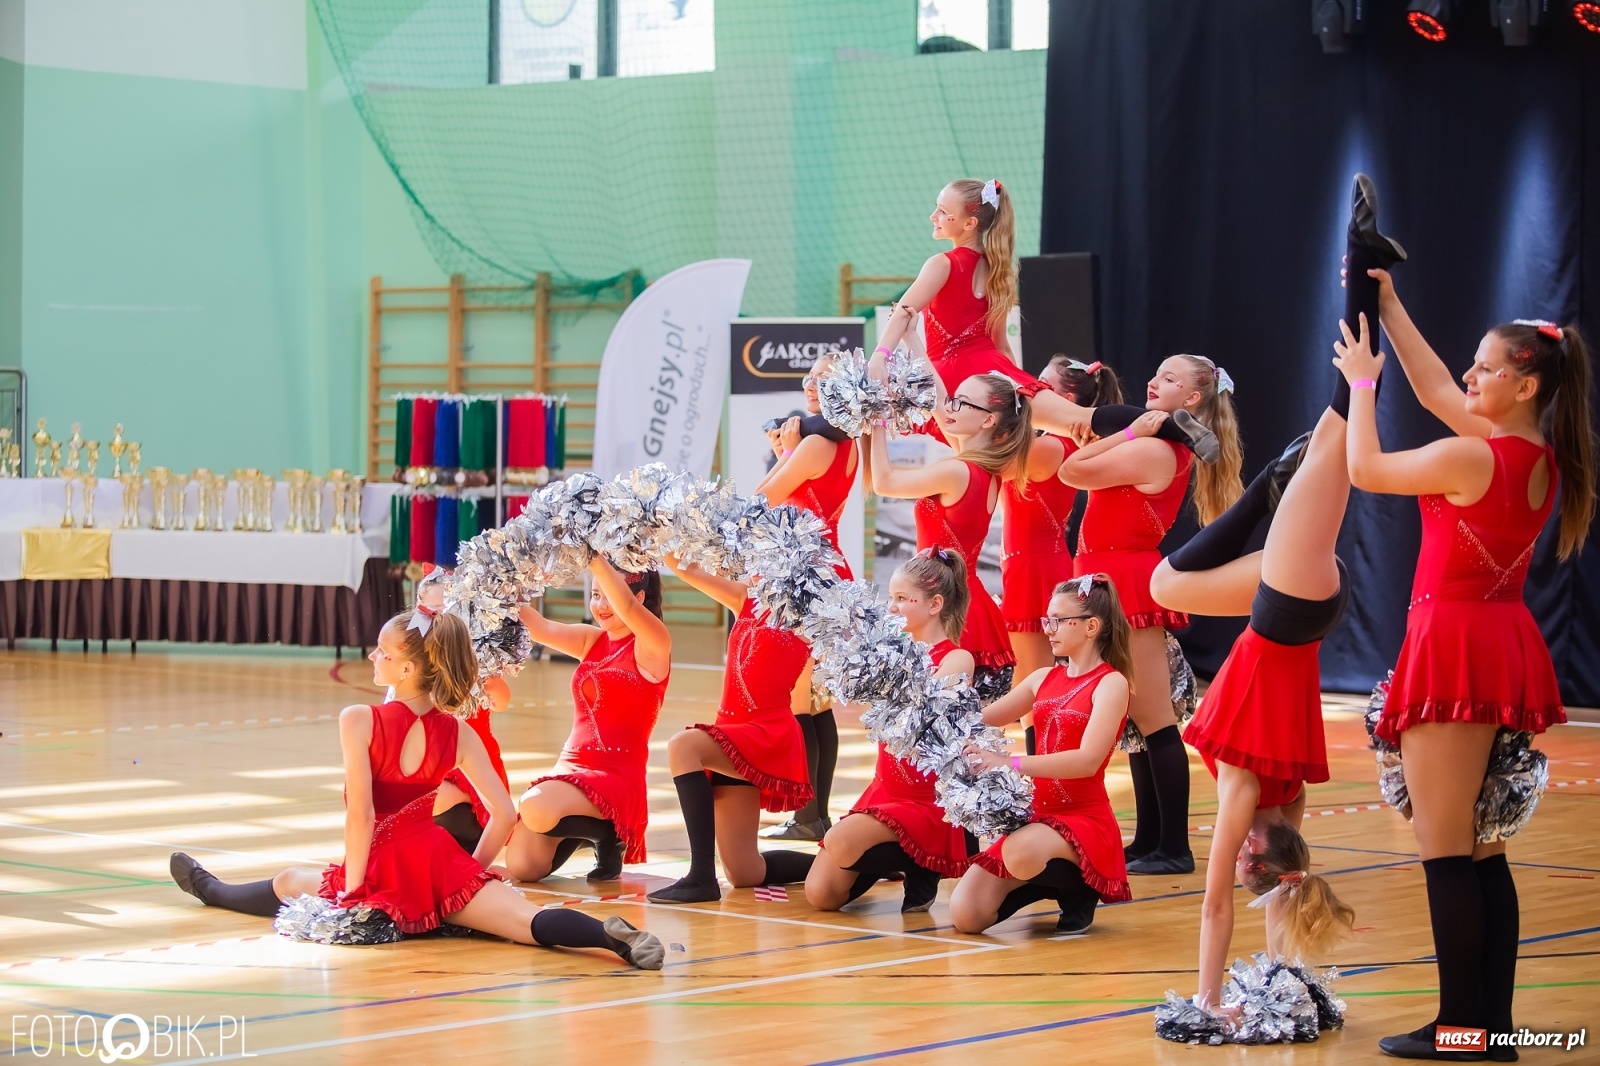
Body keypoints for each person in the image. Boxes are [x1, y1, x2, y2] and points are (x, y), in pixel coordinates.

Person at [1338, 269, 1593, 1058]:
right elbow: (1439, 384)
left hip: (1452, 646)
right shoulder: (1538, 456)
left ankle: (1461, 1030)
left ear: (1523, 383)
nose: (1471, 376)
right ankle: (1493, 1027)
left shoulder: (1470, 457)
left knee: (1447, 849)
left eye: (1487, 367)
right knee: (1482, 851)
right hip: (1498, 640)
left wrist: (1360, 386)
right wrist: (1386, 305)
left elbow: (1367, 471)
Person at [168, 607, 663, 969]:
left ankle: (213, 890)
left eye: (382, 652)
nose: (372, 657)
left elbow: (361, 817)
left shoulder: (360, 719)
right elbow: (505, 814)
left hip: (380, 868)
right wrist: (471, 871)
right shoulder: (458, 730)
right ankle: (610, 937)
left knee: (288, 882)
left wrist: (356, 891)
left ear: (406, 669)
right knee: (527, 923)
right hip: (440, 867)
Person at [1149, 402, 1361, 1014]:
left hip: (1302, 609)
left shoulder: (1289, 805)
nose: (1238, 851)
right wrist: (1207, 1001)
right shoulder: (1247, 788)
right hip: (1291, 604)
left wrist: (1278, 980)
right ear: (1262, 846)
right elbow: (1216, 904)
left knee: (1166, 587)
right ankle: (1360, 369)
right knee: (1332, 453)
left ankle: (1273, 483)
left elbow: (1278, 891)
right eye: (1249, 856)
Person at [1058, 355, 1244, 875]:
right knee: (1136, 718)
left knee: (1154, 716)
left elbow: (1071, 471)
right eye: (1155, 372)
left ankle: (1175, 847)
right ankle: (1148, 840)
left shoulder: (1155, 450)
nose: (1152, 380)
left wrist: (1121, 436)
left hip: (1128, 584)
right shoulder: (1150, 445)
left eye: (1168, 379)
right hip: (1105, 579)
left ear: (1190, 400)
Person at [948, 574, 1133, 935]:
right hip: (1040, 817)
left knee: (1020, 852)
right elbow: (977, 719)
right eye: (1047, 620)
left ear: (1092, 626)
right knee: (966, 915)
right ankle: (1039, 883)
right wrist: (925, 698)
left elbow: (1087, 761)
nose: (1048, 629)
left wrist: (1010, 762)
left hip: (1084, 819)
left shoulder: (1111, 683)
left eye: (1059, 621)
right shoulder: (1041, 678)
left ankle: (1079, 888)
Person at [803, 549, 976, 912]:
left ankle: (923, 863)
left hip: (925, 799)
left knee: (841, 841)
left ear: (935, 604)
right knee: (821, 894)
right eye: (891, 598)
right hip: (885, 789)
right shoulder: (891, 651)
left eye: (902, 599)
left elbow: (920, 711)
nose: (892, 607)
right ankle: (907, 857)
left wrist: (877, 662)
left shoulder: (956, 658)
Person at [646, 557, 818, 903]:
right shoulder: (747, 599)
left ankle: (700, 876)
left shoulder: (810, 617)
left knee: (684, 747)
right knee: (744, 872)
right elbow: (686, 569)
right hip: (733, 733)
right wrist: (657, 527)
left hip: (766, 733)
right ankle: (841, 864)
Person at [501, 556, 670, 883]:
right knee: (523, 867)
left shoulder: (654, 644)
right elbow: (540, 627)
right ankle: (597, 831)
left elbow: (632, 615)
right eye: (595, 595)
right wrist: (499, 583)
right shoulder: (592, 640)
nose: (601, 605)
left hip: (616, 775)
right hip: (571, 768)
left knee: (535, 806)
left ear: (638, 598)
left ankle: (610, 834)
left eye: (609, 594)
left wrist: (594, 558)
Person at [864, 371, 1029, 699]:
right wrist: (912, 336)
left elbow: (884, 483)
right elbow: (941, 404)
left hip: (946, 608)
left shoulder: (957, 471)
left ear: (988, 421)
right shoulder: (988, 471)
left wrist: (877, 415)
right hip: (966, 603)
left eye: (962, 402)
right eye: (954, 397)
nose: (950, 406)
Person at [757, 352, 855, 841]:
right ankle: (814, 815)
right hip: (823, 565)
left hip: (805, 573)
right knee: (814, 704)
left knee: (801, 702)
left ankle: (808, 815)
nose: (813, 386)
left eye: (825, 379)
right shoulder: (846, 442)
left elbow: (763, 502)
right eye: (809, 377)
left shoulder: (816, 443)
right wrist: (787, 457)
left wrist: (787, 454)